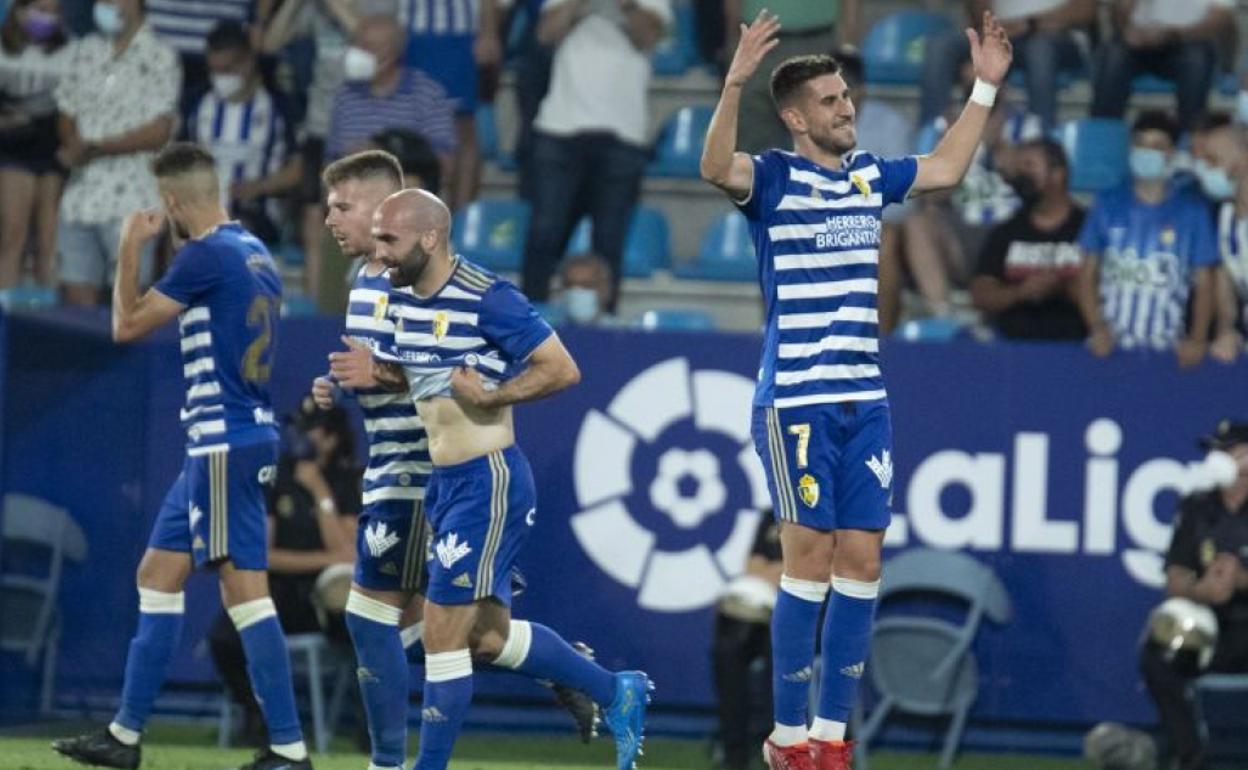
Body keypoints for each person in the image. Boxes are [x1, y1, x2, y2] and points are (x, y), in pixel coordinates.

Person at [699, 10, 1012, 770]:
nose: (847, 108)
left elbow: (944, 168)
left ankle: (831, 738)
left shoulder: (870, 175)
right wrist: (735, 82)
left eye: (846, 97)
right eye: (831, 101)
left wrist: (984, 89)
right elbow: (714, 168)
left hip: (865, 399)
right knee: (807, 562)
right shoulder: (774, 178)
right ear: (795, 118)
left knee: (863, 563)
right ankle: (787, 738)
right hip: (798, 399)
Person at [328, 188, 653, 770]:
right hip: (443, 484)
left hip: (488, 480)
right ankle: (612, 690)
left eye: (389, 240)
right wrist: (363, 377)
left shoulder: (488, 296)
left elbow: (563, 369)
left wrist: (494, 395)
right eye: (376, 239)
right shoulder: (402, 298)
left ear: (430, 237)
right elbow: (414, 376)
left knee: (441, 634)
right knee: (486, 639)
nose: (379, 253)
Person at [52, 143, 310, 770]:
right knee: (157, 574)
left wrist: (128, 247)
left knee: (245, 593)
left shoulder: (205, 254)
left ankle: (288, 747)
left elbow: (125, 325)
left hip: (223, 441)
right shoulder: (255, 250)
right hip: (226, 441)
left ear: (170, 201)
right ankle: (124, 737)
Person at [209, 398, 359, 747]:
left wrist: (319, 491)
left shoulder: (348, 480)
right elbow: (265, 554)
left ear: (332, 437)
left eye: (312, 429)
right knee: (223, 637)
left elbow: (349, 555)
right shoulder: (277, 476)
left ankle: (372, 729)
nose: (301, 436)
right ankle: (255, 714)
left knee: (368, 627)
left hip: (327, 598)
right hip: (279, 591)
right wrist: (324, 558)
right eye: (299, 428)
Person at [519, 0, 670, 308]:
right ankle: (528, 325)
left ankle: (605, 323)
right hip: (559, 127)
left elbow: (649, 36)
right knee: (543, 236)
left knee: (609, 244)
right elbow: (546, 34)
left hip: (623, 134)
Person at [53, 0, 180, 307]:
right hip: (80, 197)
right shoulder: (85, 50)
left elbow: (159, 131)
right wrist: (73, 143)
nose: (104, 5)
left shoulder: (161, 56)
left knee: (127, 308)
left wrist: (98, 148)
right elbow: (66, 110)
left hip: (133, 198)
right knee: (75, 308)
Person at [1139, 420, 1248, 770]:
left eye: (1227, 451)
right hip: (1212, 630)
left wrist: (1239, 580)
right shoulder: (1197, 506)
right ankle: (1190, 756)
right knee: (1158, 653)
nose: (1216, 459)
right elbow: (1174, 579)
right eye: (1215, 451)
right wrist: (1203, 590)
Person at [1076, 110, 1218, 366]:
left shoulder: (1193, 212)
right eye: (1140, 144)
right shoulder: (1106, 204)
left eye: (1157, 146)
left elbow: (1205, 282)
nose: (1146, 152)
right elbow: (1086, 273)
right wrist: (1096, 327)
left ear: (1171, 153)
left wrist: (1197, 339)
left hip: (1167, 349)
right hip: (1109, 348)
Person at [259, 0, 360, 300]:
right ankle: (317, 306)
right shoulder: (313, 11)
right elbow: (269, 44)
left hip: (361, 126)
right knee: (315, 218)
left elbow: (367, 38)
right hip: (320, 125)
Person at [185, 20, 300, 245]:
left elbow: (297, 170)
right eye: (213, 71)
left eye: (226, 70)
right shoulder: (196, 106)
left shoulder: (277, 108)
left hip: (257, 216)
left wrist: (257, 187)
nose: (219, 78)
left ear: (247, 63)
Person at [971, 137, 1087, 340]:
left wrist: (1061, 287)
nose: (1021, 175)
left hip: (1077, 345)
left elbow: (1106, 294)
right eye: (1018, 168)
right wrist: (1020, 293)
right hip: (1013, 347)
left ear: (1058, 174)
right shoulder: (1006, 232)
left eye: (1029, 166)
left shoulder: (1089, 228)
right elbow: (981, 294)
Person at [920, 0, 1093, 131]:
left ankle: (1041, 137)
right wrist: (997, 24)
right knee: (940, 47)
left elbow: (1087, 9)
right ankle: (932, 137)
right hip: (1001, 31)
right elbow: (977, 8)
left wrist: (1031, 22)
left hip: (1057, 35)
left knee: (1040, 51)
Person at [397, 0, 504, 208]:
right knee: (410, 129)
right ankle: (412, 213)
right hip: (411, 34)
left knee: (462, 129)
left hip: (460, 34)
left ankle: (461, 215)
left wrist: (489, 32)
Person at [325, 12, 456, 176]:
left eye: (368, 47)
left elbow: (445, 163)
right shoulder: (346, 95)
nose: (358, 53)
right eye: (356, 45)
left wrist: (386, 156)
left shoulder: (427, 94)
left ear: (392, 54)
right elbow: (331, 163)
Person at [723, 0, 859, 155]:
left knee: (821, 144)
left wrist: (849, 42)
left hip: (820, 40)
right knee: (752, 145)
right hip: (758, 39)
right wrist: (733, 41)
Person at [0, 0, 70, 291]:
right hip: (13, 149)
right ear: (19, 10)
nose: (47, 18)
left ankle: (49, 311)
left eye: (54, 11)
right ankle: (5, 307)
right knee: (13, 233)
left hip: (52, 151)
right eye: (41, 9)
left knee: (49, 239)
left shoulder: (71, 50)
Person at [1091, 0, 1236, 134]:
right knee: (1113, 56)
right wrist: (1129, 30)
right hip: (1138, 43)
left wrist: (1173, 34)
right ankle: (1102, 136)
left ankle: (1190, 138)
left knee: (1197, 61)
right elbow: (1118, 16)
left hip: (1189, 42)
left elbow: (1220, 19)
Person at [712, 514, 783, 770]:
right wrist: (784, 571)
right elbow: (752, 567)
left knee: (780, 656)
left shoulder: (832, 514)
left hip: (811, 618)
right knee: (727, 650)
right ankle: (735, 752)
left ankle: (777, 748)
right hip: (765, 615)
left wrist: (778, 571)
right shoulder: (772, 515)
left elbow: (820, 569)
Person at [1190, 121, 1248, 364]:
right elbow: (1225, 283)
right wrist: (1227, 329)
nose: (1205, 170)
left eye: (1213, 161)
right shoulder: (1224, 217)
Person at [556, 252, 615, 326]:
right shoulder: (549, 328)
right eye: (569, 284)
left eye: (586, 285)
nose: (576, 290)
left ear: (604, 289)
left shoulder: (618, 330)